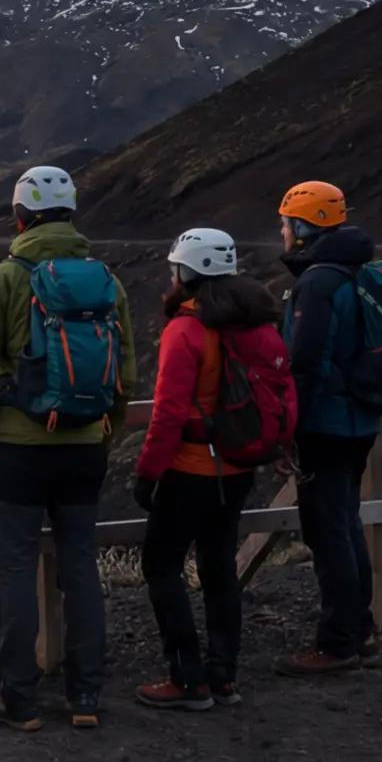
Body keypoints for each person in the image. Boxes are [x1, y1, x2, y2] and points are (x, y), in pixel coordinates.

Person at [0, 165, 137, 732]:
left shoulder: (2, 280)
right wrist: (104, 426)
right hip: (84, 448)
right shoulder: (108, 280)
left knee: (15, 568)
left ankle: (20, 699)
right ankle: (85, 695)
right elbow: (125, 372)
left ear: (20, 218)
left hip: (18, 446)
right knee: (80, 566)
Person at [131, 229, 294, 710]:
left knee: (161, 566)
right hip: (239, 468)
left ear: (187, 273)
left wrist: (148, 472)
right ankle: (223, 675)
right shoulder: (254, 324)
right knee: (220, 567)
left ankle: (186, 679)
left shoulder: (185, 331)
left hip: (189, 471)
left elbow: (168, 413)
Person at [273, 180, 382, 676]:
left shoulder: (318, 282)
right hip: (359, 418)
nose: (281, 231)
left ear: (303, 227)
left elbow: (307, 361)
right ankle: (358, 631)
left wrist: (288, 426)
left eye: (285, 223)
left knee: (327, 530)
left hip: (326, 424)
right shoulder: (358, 271)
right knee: (346, 523)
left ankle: (337, 642)